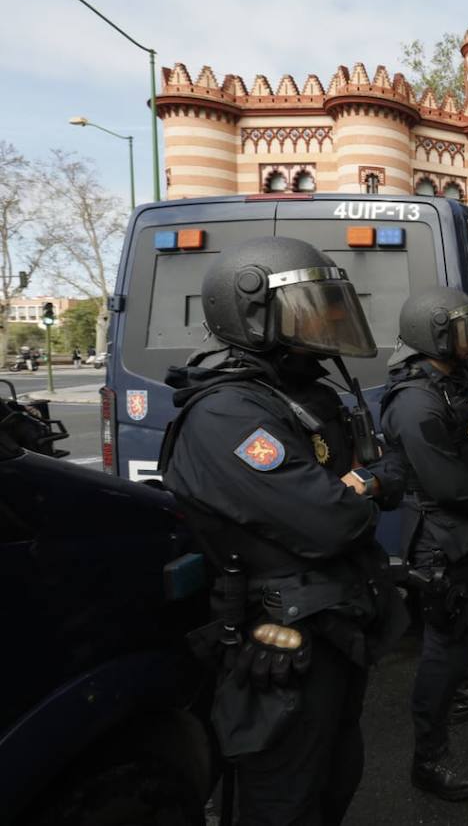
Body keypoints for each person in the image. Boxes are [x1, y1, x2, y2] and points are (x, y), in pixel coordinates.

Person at [158, 237, 408, 824]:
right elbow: (331, 521)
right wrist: (359, 488)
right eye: (311, 304)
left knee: (335, 778)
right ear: (253, 312)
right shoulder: (227, 413)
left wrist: (359, 484)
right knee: (284, 800)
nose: (330, 318)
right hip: (281, 645)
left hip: (339, 623)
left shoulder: (308, 395)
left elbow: (387, 472)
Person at [381, 287, 468, 802]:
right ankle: (429, 759)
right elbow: (444, 482)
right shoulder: (416, 399)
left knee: (463, 637)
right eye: (460, 330)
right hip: (442, 539)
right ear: (433, 335)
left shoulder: (453, 381)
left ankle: (466, 693)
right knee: (443, 649)